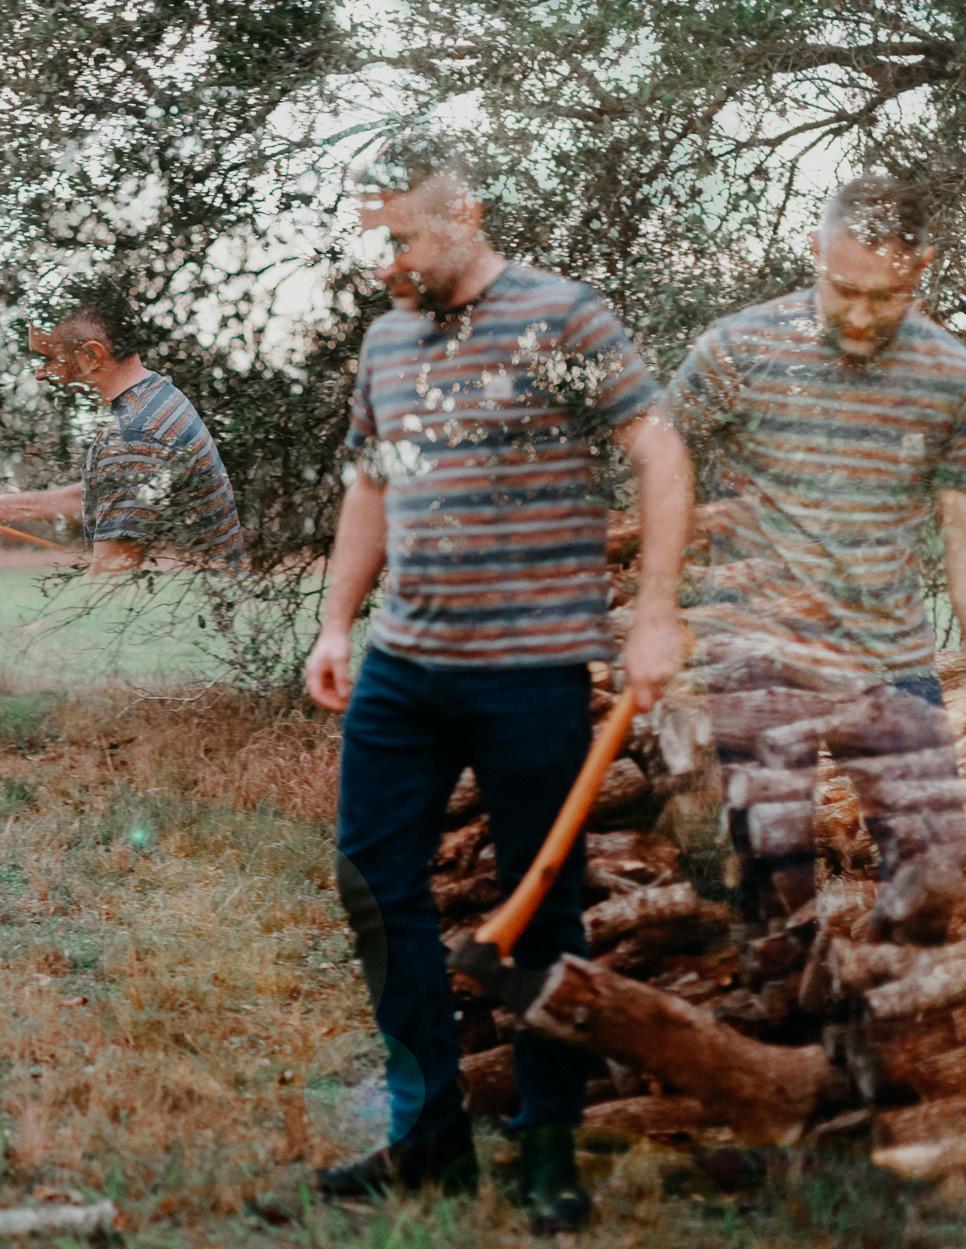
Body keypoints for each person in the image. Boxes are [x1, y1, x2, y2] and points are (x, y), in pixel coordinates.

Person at [303, 135, 687, 1233]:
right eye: (373, 244)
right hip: (404, 668)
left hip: (529, 669)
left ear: (462, 215)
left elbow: (657, 449)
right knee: (373, 884)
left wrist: (655, 612)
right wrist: (336, 622)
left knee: (541, 903)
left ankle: (548, 1142)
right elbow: (371, 485)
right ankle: (429, 1135)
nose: (385, 264)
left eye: (400, 240)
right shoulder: (388, 338)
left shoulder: (559, 318)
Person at [638, 175, 966, 944]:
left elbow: (960, 522)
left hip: (890, 659)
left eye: (885, 297)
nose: (862, 316)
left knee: (939, 877)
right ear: (817, 250)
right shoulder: (738, 347)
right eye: (844, 290)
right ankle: (793, 997)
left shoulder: (950, 374)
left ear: (922, 267)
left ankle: (876, 997)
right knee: (776, 894)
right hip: (760, 659)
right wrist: (658, 604)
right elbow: (664, 459)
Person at [10, 274, 244, 573]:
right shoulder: (154, 397)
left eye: (46, 359)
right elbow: (104, 491)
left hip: (192, 601)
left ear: (92, 355)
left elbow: (109, 585)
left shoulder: (136, 435)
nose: (40, 374)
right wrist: (9, 508)